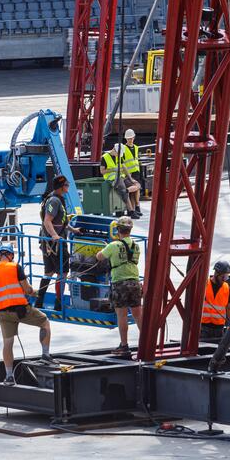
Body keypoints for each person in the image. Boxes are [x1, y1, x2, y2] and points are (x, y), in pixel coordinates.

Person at [0, 244, 55, 385]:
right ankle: (45, 355)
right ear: (11, 255)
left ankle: (9, 376)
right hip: (21, 310)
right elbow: (27, 289)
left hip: (3, 313)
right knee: (44, 322)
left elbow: (1, 290)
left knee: (8, 342)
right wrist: (34, 292)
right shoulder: (15, 267)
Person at [96, 216, 143, 356]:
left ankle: (124, 345)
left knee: (121, 315)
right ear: (130, 229)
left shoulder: (113, 245)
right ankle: (145, 342)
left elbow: (99, 256)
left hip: (119, 283)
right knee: (137, 314)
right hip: (134, 282)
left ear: (118, 230)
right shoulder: (136, 246)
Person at [36, 175, 82, 311]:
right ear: (62, 187)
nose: (68, 186)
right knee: (62, 273)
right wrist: (55, 235)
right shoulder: (54, 201)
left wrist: (73, 229)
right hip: (55, 244)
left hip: (49, 242)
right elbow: (47, 220)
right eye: (67, 185)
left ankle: (39, 301)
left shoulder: (55, 199)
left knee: (49, 272)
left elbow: (60, 221)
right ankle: (58, 304)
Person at [101, 144, 141, 219]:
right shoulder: (105, 157)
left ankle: (126, 191)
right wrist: (113, 169)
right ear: (114, 150)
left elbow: (124, 168)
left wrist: (131, 179)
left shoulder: (118, 157)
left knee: (137, 185)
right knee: (122, 188)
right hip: (112, 178)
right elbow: (102, 171)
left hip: (121, 176)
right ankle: (131, 211)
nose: (118, 156)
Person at [199, 261, 230, 340]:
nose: (224, 279)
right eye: (223, 277)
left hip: (219, 329)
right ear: (216, 273)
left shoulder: (227, 288)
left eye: (226, 277)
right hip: (203, 327)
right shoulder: (204, 284)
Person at [121, 129, 143, 216]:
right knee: (136, 187)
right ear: (126, 139)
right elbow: (122, 162)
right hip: (128, 173)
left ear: (134, 137)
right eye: (128, 138)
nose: (130, 140)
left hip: (136, 172)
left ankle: (135, 209)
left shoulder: (136, 148)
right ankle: (136, 207)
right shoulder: (123, 148)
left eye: (131, 138)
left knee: (135, 190)